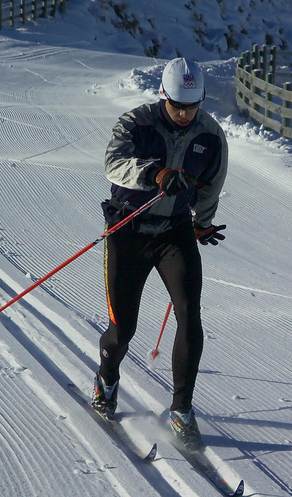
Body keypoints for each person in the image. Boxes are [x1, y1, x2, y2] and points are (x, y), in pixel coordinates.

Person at [91, 57, 229, 451]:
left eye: (192, 105)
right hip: (127, 230)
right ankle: (107, 380)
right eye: (177, 105)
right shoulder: (136, 121)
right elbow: (113, 164)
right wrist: (156, 174)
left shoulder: (211, 134)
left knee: (190, 316)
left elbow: (211, 184)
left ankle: (182, 410)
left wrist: (202, 221)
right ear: (163, 95)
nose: (185, 113)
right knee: (123, 329)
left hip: (173, 233)